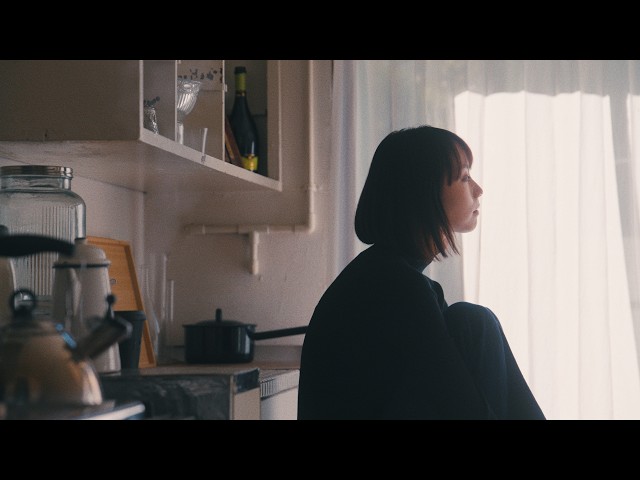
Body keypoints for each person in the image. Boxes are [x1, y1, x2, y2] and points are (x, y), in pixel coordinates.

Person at [297, 125, 546, 420]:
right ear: (426, 192)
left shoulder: (387, 275)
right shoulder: (394, 287)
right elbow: (463, 409)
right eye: (465, 178)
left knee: (472, 322)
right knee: (476, 322)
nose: (478, 190)